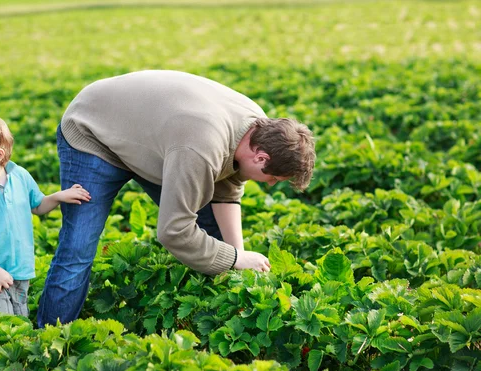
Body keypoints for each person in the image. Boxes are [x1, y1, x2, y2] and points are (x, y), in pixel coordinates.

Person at [37, 70, 315, 328]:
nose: (269, 184)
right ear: (261, 157)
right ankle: (49, 340)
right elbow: (174, 231)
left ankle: (208, 319)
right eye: (274, 178)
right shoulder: (201, 148)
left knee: (212, 237)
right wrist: (234, 259)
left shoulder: (257, 131)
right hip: (93, 129)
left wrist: (238, 257)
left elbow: (228, 189)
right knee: (78, 248)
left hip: (153, 136)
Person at [0, 113, 91, 317]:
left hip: (20, 269)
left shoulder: (20, 176)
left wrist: (59, 196)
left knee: (21, 322)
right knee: (2, 327)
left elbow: (38, 206)